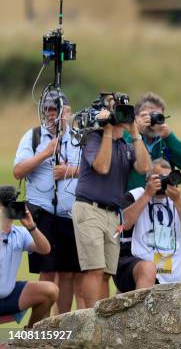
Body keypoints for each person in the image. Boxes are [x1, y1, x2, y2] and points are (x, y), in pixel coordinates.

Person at [72, 94, 152, 308]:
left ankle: (102, 319)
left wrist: (135, 132)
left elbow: (145, 168)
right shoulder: (93, 138)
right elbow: (102, 167)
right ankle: (90, 319)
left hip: (113, 213)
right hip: (90, 208)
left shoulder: (125, 144)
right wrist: (107, 131)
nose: (120, 117)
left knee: (107, 272)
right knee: (95, 269)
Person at [12, 92, 81, 314]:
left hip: (70, 214)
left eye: (57, 111)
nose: (52, 116)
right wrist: (45, 153)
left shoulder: (79, 138)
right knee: (48, 270)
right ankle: (42, 326)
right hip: (41, 213)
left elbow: (94, 169)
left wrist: (69, 172)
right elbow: (17, 171)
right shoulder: (32, 137)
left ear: (68, 113)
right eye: (48, 111)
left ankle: (64, 323)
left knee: (69, 272)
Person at [113, 159, 181, 292]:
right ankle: (141, 312)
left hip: (171, 268)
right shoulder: (135, 195)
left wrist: (177, 201)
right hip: (134, 265)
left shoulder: (180, 201)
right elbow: (123, 224)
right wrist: (147, 194)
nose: (164, 182)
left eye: (167, 178)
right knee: (149, 268)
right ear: (148, 179)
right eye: (159, 178)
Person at [0, 205, 58, 328]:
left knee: (50, 290)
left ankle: (30, 334)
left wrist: (31, 226)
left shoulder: (20, 232)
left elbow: (45, 249)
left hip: (9, 295)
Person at [125, 93, 181, 190]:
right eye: (148, 116)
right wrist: (136, 132)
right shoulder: (126, 135)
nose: (153, 120)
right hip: (133, 199)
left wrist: (169, 137)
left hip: (161, 198)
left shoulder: (166, 140)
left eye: (158, 116)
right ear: (135, 117)